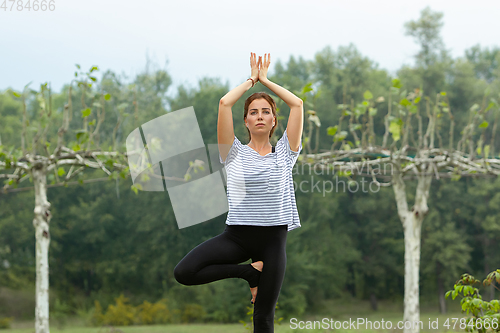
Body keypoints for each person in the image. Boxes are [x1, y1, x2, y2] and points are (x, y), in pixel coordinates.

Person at [174, 52, 304, 333]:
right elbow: (224, 103)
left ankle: (255, 274)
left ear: (273, 121)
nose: (260, 116)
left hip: (273, 241)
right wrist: (250, 81)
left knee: (263, 318)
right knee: (184, 272)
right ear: (245, 121)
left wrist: (266, 81)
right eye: (253, 112)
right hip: (238, 236)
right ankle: (248, 273)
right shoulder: (232, 153)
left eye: (266, 112)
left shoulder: (285, 152)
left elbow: (297, 103)